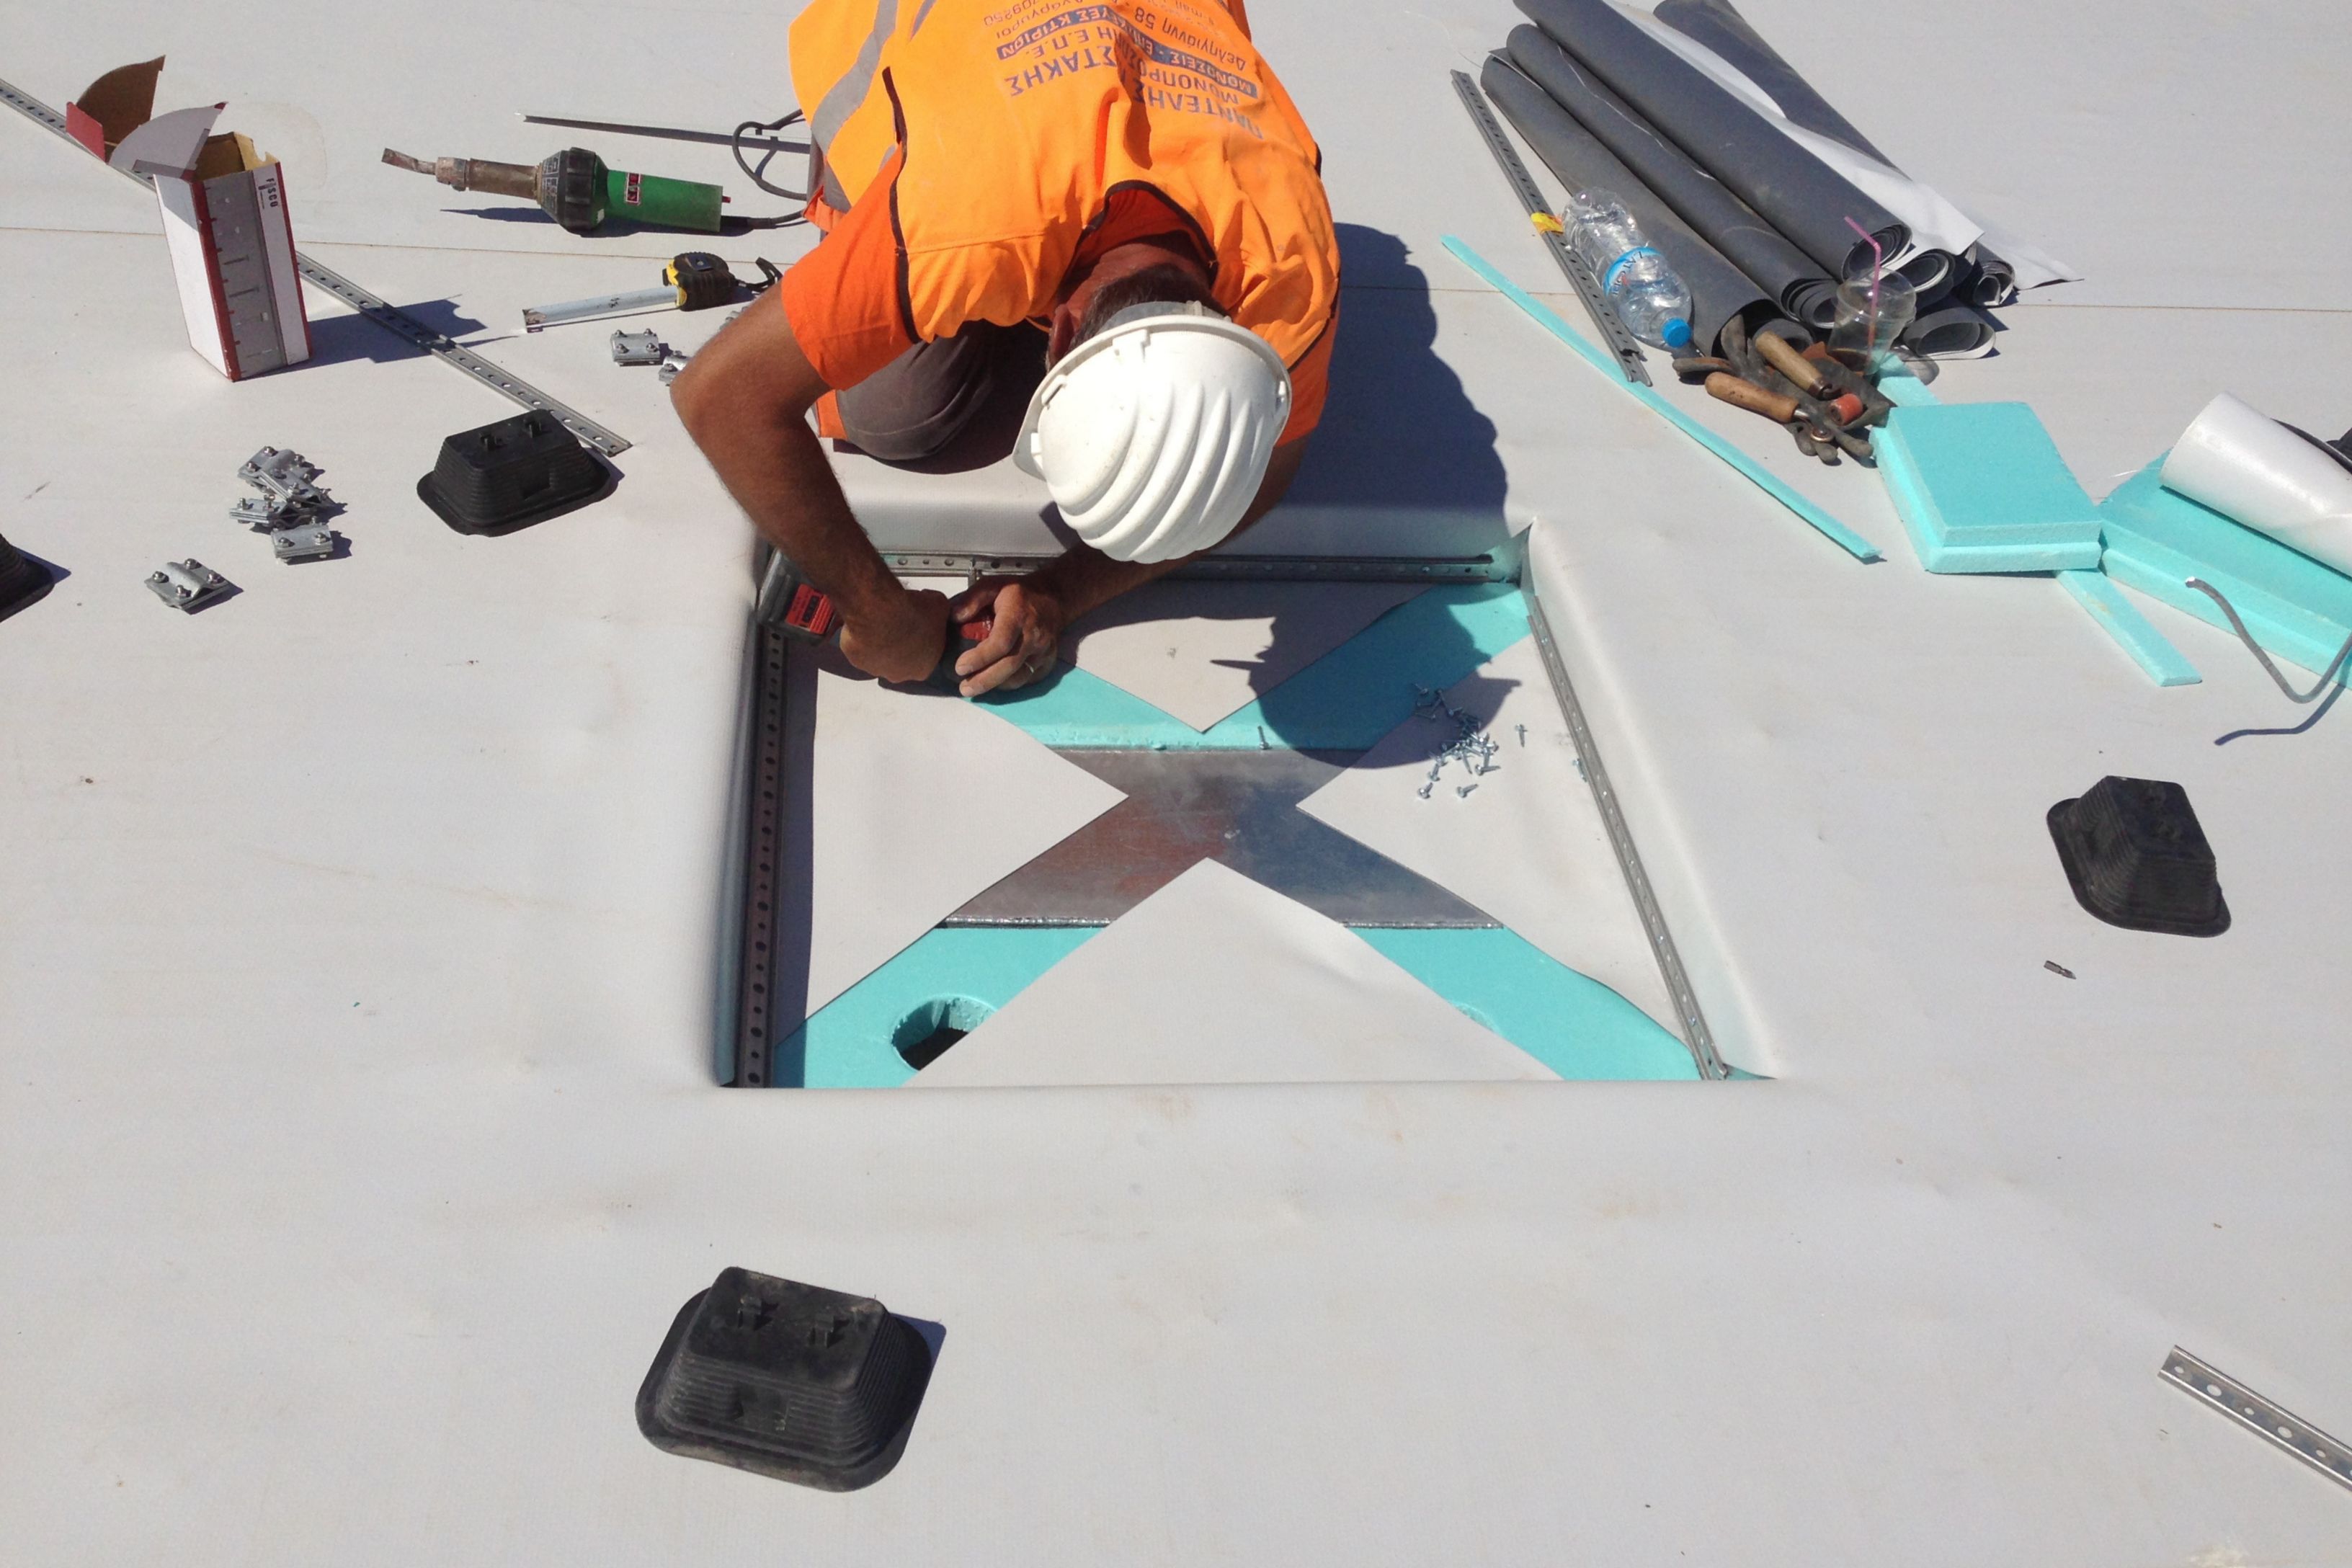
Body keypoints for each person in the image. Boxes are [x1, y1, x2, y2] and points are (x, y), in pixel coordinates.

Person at [671, 0, 1340, 695]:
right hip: (956, 75)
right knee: (894, 419)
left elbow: (1267, 467)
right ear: (1061, 331)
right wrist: (876, 613)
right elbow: (720, 396)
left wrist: (1060, 592)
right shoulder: (963, 220)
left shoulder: (1292, 269)